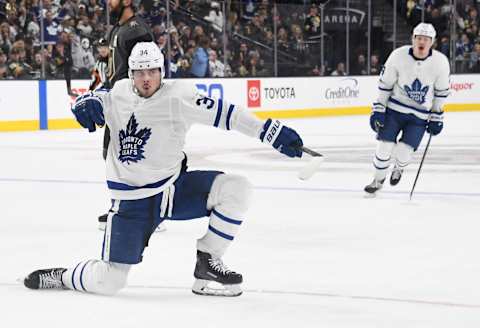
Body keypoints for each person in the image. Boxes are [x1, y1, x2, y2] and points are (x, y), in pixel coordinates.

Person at [23, 42, 304, 297]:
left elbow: (228, 114)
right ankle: (64, 276)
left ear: (162, 71)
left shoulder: (179, 97)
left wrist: (269, 131)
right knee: (109, 282)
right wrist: (84, 103)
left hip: (172, 191)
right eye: (139, 72)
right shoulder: (119, 92)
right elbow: (94, 99)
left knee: (237, 188)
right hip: (130, 205)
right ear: (130, 74)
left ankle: (208, 262)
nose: (146, 78)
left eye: (153, 71)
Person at [364, 23, 450, 195]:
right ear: (413, 39)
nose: (422, 42)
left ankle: (399, 167)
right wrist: (379, 109)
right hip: (394, 111)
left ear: (432, 42)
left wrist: (437, 116)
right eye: (419, 38)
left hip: (419, 117)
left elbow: (441, 93)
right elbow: (385, 84)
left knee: (404, 152)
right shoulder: (398, 55)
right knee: (384, 147)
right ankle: (378, 179)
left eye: (426, 39)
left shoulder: (440, 62)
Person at [98, 0, 154, 229]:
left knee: (134, 156)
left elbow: (149, 69)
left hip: (132, 105)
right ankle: (122, 206)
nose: (108, 3)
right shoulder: (117, 29)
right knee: (111, 154)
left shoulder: (137, 30)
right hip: (116, 103)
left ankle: (148, 210)